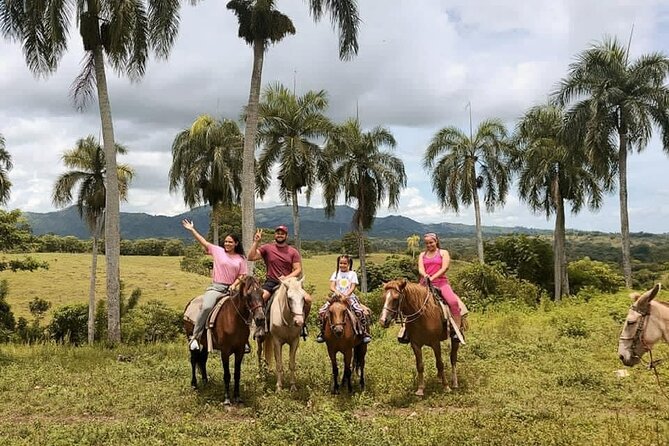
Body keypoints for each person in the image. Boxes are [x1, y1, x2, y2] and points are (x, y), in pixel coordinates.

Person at [182, 219, 249, 352]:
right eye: (226, 241)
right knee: (206, 307)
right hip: (217, 288)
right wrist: (192, 230)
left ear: (236, 243)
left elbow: (242, 275)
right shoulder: (218, 251)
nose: (227, 244)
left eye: (230, 242)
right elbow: (203, 242)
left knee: (247, 308)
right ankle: (195, 337)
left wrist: (235, 285)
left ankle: (244, 340)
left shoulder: (241, 258)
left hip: (232, 289)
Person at [247, 225, 312, 339]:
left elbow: (298, 269)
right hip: (271, 281)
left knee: (308, 299)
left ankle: (303, 325)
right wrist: (256, 242)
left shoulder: (293, 251)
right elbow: (250, 257)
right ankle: (260, 327)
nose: (280, 235)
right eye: (278, 233)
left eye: (282, 233)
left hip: (289, 282)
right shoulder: (267, 248)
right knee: (260, 299)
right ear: (275, 235)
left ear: (286, 236)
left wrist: (286, 278)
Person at [316, 254, 371, 344]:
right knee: (322, 311)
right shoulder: (336, 273)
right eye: (341, 263)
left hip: (349, 297)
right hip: (336, 297)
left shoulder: (352, 274)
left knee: (360, 312)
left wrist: (346, 295)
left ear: (349, 264)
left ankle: (363, 333)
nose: (342, 265)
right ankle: (322, 333)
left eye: (345, 263)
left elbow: (353, 287)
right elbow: (332, 286)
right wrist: (337, 292)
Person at [418, 232, 463, 340]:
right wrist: (426, 276)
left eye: (431, 242)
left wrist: (432, 278)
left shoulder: (443, 253)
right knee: (410, 301)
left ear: (436, 241)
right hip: (424, 283)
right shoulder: (422, 255)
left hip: (441, 283)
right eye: (427, 243)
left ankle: (456, 330)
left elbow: (445, 268)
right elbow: (420, 268)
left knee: (453, 302)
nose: (429, 245)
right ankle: (406, 330)